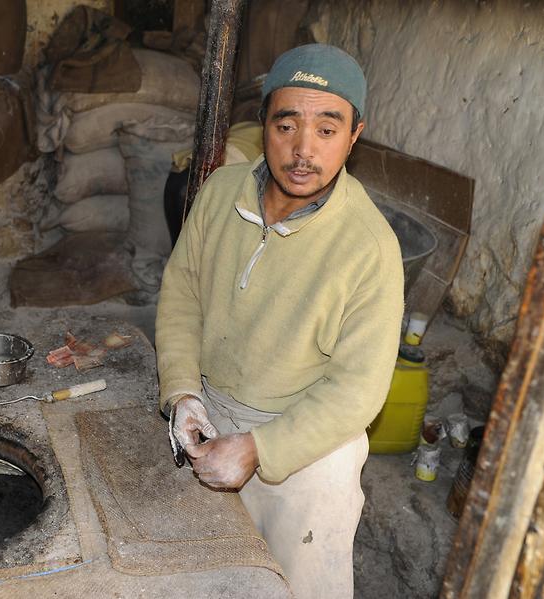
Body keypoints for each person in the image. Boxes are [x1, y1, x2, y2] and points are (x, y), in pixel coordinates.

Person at [155, 44, 404, 598]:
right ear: (263, 123)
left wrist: (261, 449)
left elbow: (358, 390)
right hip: (212, 412)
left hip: (306, 449)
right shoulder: (221, 194)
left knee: (297, 587)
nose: (302, 151)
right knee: (204, 576)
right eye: (286, 125)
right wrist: (182, 392)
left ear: (355, 135)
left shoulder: (369, 248)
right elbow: (181, 294)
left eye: (326, 130)